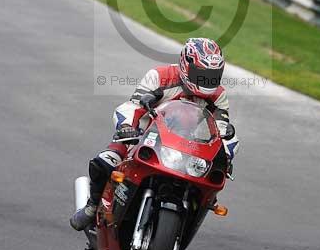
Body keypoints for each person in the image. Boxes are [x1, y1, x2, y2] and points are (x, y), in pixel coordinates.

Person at [70, 38, 239, 234]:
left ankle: (177, 235)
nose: (206, 82)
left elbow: (223, 131)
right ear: (186, 65)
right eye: (201, 75)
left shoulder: (218, 96)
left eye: (212, 76)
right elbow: (133, 105)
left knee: (208, 192)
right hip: (144, 137)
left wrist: (225, 156)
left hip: (188, 149)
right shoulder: (159, 76)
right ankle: (92, 207)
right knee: (105, 161)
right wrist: (127, 127)